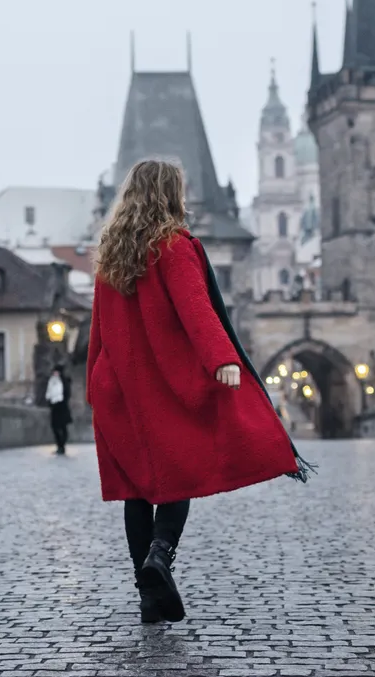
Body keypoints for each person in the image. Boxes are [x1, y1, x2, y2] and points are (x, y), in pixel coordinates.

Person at [87, 159, 311, 625]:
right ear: (172, 194)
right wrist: (222, 359)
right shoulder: (173, 246)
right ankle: (159, 558)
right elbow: (195, 308)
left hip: (117, 386)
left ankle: (149, 595)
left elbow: (98, 330)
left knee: (135, 488)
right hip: (159, 384)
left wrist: (94, 380)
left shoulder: (111, 254)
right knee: (178, 473)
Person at [46, 363, 72, 455]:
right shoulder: (52, 382)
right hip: (55, 409)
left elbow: (66, 395)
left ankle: (62, 446)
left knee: (62, 427)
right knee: (55, 427)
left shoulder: (64, 382)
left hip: (62, 408)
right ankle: (59, 446)